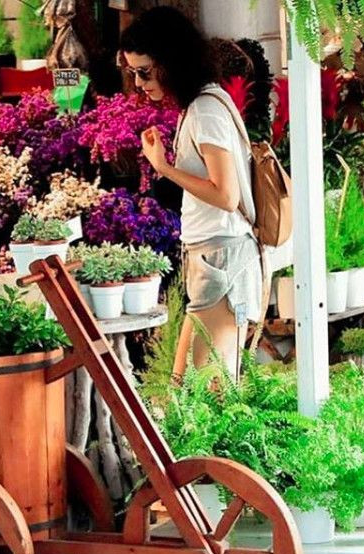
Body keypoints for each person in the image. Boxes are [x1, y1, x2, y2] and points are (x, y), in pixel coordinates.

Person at [119, 7, 262, 380]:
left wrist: (164, 167)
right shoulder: (199, 106)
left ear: (171, 61)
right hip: (213, 255)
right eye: (133, 72)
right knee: (191, 388)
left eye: (145, 71)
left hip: (222, 257)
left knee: (203, 393)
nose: (138, 82)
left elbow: (226, 195)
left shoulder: (204, 111)